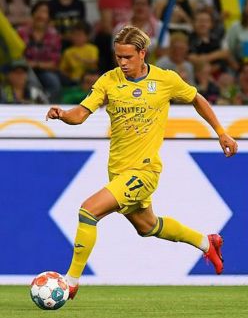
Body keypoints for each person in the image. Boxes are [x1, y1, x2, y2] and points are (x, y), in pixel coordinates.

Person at [45, 26, 238, 299]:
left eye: (127, 57)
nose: (122, 63)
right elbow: (81, 114)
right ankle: (207, 243)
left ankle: (70, 282)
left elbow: (196, 98)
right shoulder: (108, 81)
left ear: (142, 53)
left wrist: (221, 132)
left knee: (88, 211)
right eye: (118, 57)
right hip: (118, 172)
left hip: (144, 171)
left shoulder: (165, 79)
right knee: (148, 227)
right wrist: (63, 114)